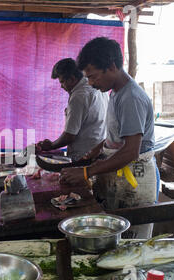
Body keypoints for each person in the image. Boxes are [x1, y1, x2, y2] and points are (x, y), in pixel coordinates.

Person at [60, 37, 158, 239]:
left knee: (131, 246)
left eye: (94, 77)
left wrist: (86, 172)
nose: (91, 83)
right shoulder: (115, 92)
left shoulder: (131, 97)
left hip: (134, 181)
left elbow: (131, 151)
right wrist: (97, 149)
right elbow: (116, 136)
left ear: (112, 66)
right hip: (119, 177)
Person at [36, 58, 108, 161]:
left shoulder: (79, 96)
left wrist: (51, 145)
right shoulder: (98, 86)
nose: (61, 86)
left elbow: (69, 136)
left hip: (84, 157)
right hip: (98, 152)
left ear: (72, 79)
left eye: (62, 82)